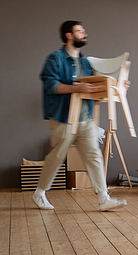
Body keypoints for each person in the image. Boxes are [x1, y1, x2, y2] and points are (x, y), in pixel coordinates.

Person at [33, 20, 127, 211]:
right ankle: (39, 193)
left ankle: (103, 198)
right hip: (63, 117)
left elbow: (95, 88)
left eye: (84, 30)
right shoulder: (55, 59)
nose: (84, 33)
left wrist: (117, 87)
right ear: (69, 35)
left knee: (93, 155)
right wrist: (76, 88)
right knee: (57, 156)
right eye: (80, 31)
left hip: (85, 118)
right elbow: (50, 85)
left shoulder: (86, 62)